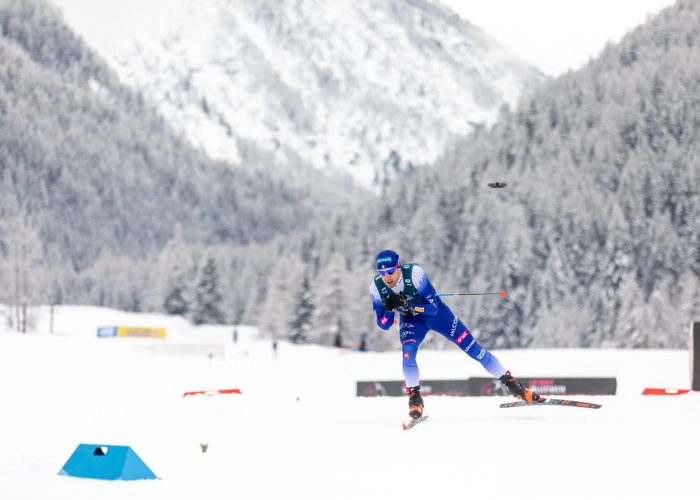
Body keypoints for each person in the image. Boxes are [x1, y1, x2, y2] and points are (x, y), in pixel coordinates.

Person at [369, 249, 543, 420]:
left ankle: (514, 387)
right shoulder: (376, 288)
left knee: (474, 350)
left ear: (398, 267)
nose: (387, 277)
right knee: (408, 353)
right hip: (412, 323)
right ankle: (415, 398)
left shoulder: (414, 274)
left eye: (390, 271)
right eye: (382, 273)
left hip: (438, 317)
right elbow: (383, 325)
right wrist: (389, 308)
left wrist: (409, 304)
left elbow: (433, 308)